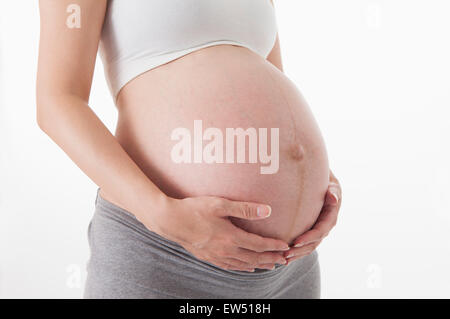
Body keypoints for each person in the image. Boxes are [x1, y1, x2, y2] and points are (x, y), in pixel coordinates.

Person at [36, 0, 342, 298]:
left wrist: (321, 184)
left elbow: (271, 82)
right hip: (163, 253)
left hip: (289, 270)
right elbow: (58, 102)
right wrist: (160, 213)